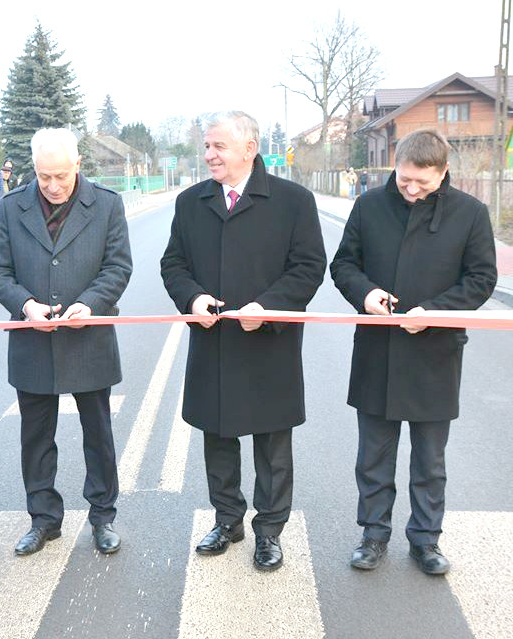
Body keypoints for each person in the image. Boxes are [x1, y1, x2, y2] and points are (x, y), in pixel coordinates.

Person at [160, 111, 326, 572]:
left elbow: (309, 266)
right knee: (218, 435)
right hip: (214, 343)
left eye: (219, 147)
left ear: (250, 148)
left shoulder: (292, 201)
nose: (209, 155)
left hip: (269, 342)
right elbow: (173, 264)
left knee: (272, 443)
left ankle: (269, 531)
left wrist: (268, 307)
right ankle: (228, 519)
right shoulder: (191, 202)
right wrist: (191, 298)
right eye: (207, 147)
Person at [330, 129, 497, 576]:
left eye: (421, 182)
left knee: (430, 460)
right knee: (374, 456)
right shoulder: (368, 207)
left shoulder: (471, 213)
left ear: (443, 173)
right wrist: (365, 294)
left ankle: (425, 540)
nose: (410, 189)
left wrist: (436, 312)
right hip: (378, 351)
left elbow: (481, 278)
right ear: (396, 166)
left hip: (435, 352)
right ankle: (373, 535)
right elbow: (343, 264)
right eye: (404, 179)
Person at [0, 128, 133, 556]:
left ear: (78, 166)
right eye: (43, 176)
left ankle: (103, 517)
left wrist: (90, 304)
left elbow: (118, 267)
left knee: (98, 434)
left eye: (61, 177)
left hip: (89, 337)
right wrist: (26, 305)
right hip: (33, 340)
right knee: (36, 436)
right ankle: (44, 519)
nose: (51, 186)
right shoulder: (14, 206)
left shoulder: (105, 204)